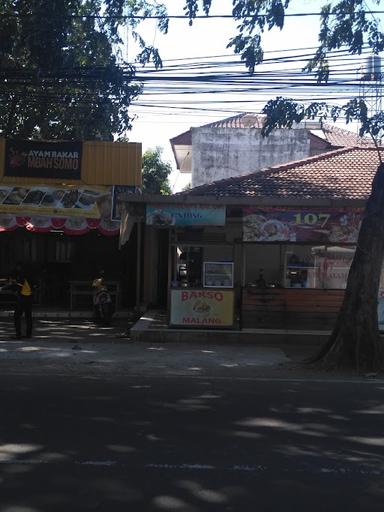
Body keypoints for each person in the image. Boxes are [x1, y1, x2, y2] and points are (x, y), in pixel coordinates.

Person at [9, 263, 35, 339]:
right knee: (28, 316)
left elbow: (17, 286)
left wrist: (10, 287)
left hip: (22, 298)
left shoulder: (21, 276)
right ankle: (28, 334)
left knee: (17, 316)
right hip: (29, 298)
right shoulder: (31, 276)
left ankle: (18, 334)